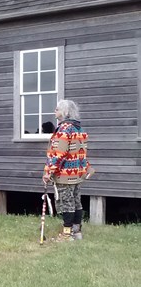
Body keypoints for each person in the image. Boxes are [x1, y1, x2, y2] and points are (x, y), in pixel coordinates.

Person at [43, 100, 92, 241]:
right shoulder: (79, 129)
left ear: (65, 112)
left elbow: (58, 154)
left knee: (66, 203)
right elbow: (82, 153)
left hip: (65, 174)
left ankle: (66, 234)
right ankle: (77, 232)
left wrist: (48, 172)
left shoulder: (64, 129)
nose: (54, 111)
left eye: (57, 109)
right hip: (77, 173)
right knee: (76, 201)